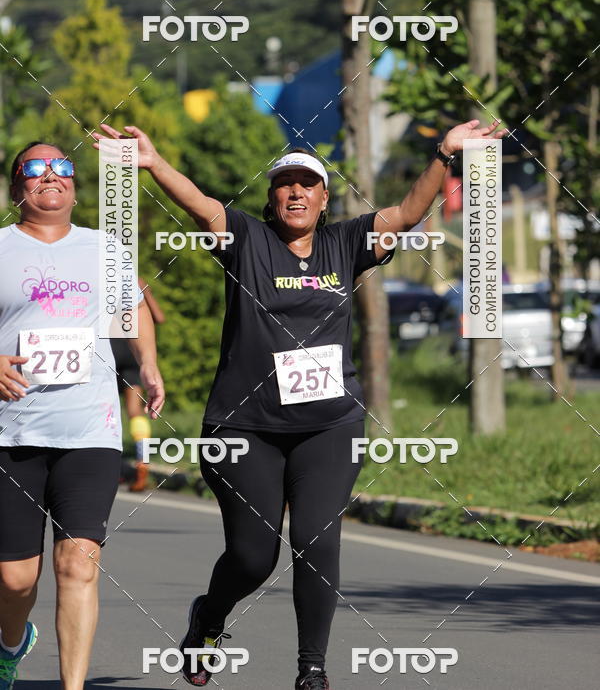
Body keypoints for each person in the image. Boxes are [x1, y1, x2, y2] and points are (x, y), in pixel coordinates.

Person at [95, 118, 506, 690]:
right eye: (285, 184)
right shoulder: (247, 239)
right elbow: (202, 206)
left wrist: (445, 154)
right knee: (253, 556)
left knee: (317, 538)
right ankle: (208, 618)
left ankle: (311, 669)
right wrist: (155, 163)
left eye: (306, 184)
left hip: (329, 426)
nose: (295, 192)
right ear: (271, 198)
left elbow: (407, 214)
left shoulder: (344, 243)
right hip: (245, 428)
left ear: (322, 196)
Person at [0, 142, 165, 690]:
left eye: (62, 167)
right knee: (15, 578)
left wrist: (148, 365)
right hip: (13, 430)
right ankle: (9, 644)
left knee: (79, 564)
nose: (51, 176)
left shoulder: (106, 249)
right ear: (17, 186)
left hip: (90, 431)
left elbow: (134, 309)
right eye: (36, 169)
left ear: (75, 184)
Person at [111, 278, 165, 492]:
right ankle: (143, 461)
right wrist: (147, 293)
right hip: (133, 350)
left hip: (111, 347)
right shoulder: (137, 281)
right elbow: (159, 318)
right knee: (135, 411)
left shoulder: (106, 278)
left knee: (107, 409)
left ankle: (112, 465)